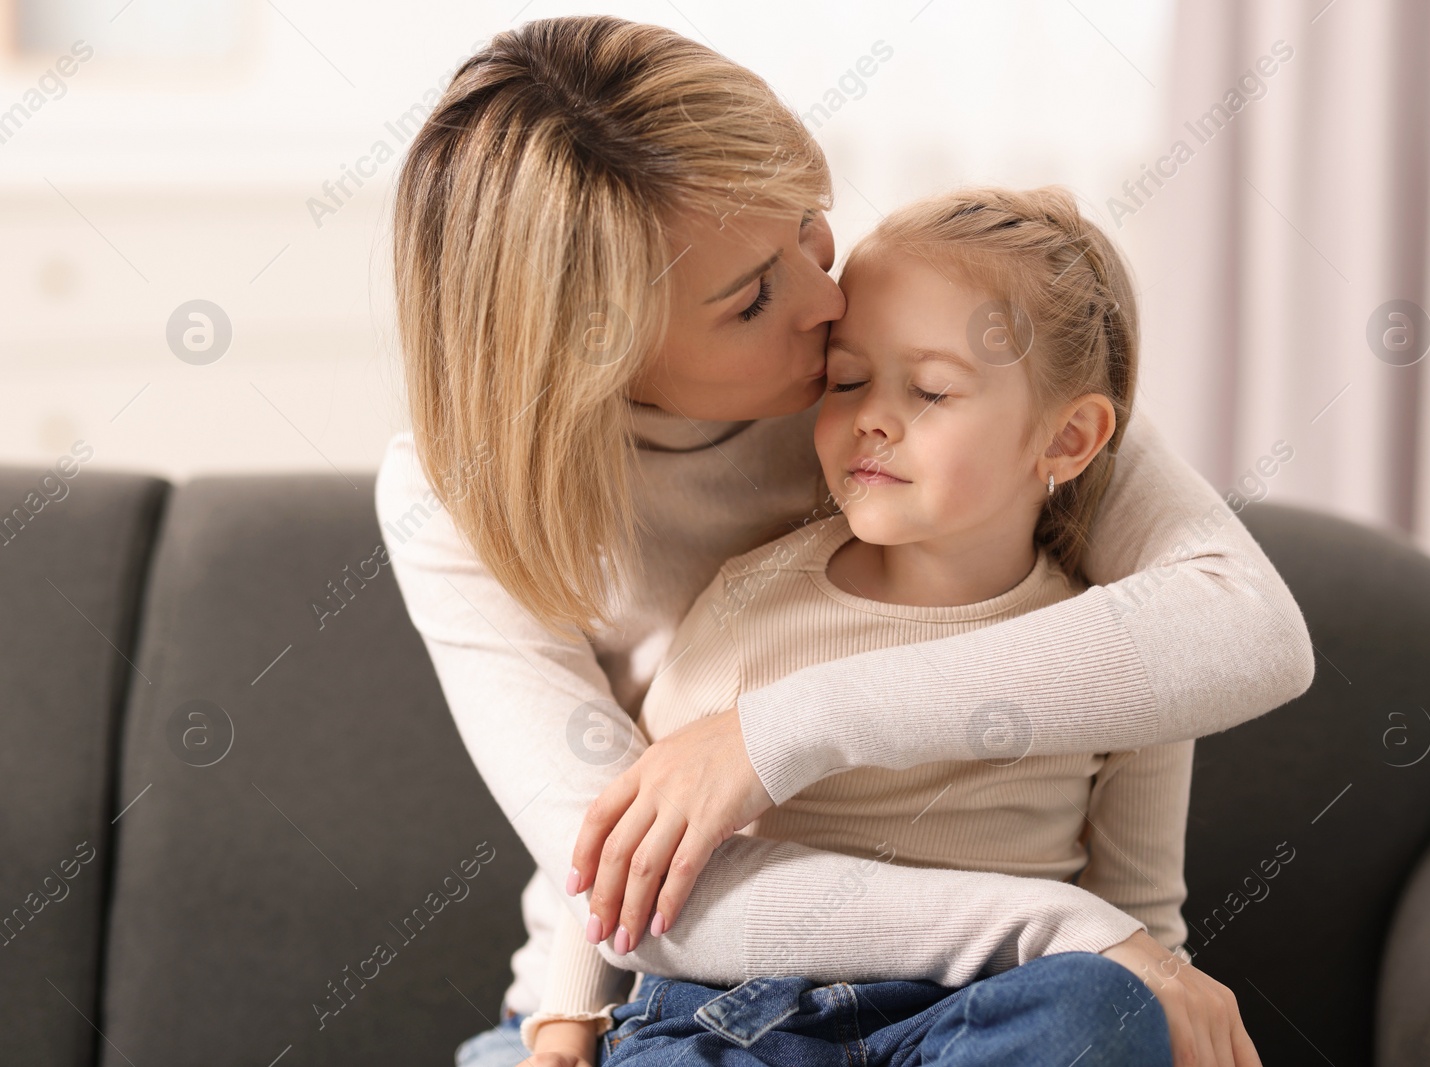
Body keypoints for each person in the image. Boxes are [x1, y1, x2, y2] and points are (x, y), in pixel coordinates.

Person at [375, 15, 1314, 1067]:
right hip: (661, 991)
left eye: (809, 224)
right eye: (750, 300)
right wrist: (1074, 930)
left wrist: (775, 731)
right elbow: (645, 890)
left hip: (983, 997)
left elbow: (1248, 631)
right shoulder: (460, 491)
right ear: (593, 351)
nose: (828, 299)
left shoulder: (920, 348)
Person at [525, 183, 1196, 1067]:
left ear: (1068, 439)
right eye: (845, 381)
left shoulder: (1114, 648)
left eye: (928, 389)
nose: (870, 417)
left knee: (1098, 1005)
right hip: (741, 1014)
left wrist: (1170, 1013)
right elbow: (631, 836)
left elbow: (1139, 910)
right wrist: (567, 1023)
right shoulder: (751, 600)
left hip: (984, 1013)